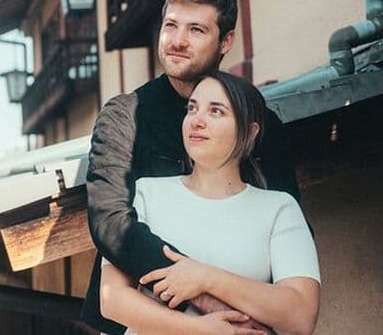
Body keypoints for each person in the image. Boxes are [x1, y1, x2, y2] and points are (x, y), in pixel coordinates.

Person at [81, 0, 304, 333]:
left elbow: (285, 223)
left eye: (196, 29)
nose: (178, 40)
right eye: (171, 25)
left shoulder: (258, 122)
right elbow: (111, 224)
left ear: (225, 41)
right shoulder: (125, 115)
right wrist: (201, 296)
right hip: (137, 321)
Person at [99, 72, 320, 334]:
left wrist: (205, 277)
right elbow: (111, 299)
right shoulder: (147, 192)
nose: (197, 120)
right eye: (192, 109)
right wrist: (200, 329)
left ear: (250, 132)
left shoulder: (279, 209)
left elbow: (301, 314)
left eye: (216, 111)